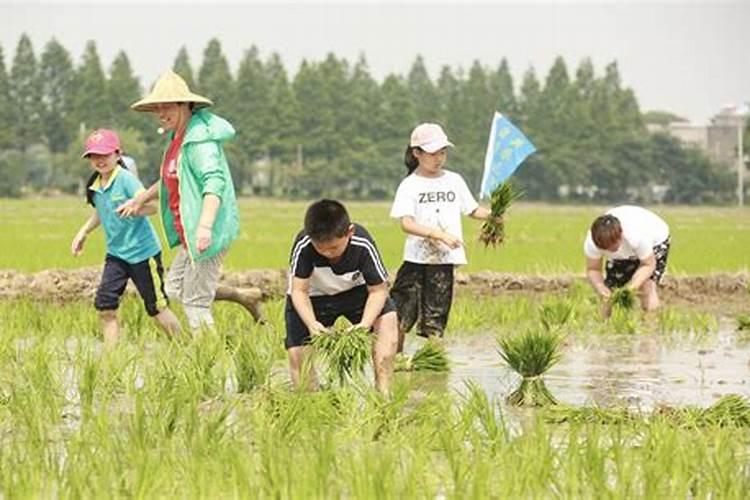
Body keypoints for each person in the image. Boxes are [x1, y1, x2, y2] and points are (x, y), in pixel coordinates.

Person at [118, 69, 262, 333]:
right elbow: (172, 178)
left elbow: (213, 183)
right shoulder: (178, 138)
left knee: (195, 303)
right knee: (174, 288)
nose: (161, 114)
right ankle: (242, 296)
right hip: (190, 231)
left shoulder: (199, 142)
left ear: (185, 105)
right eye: (157, 109)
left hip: (207, 231)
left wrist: (205, 227)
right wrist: (141, 199)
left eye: (167, 106)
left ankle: (208, 363)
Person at [389, 123, 495, 352]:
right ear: (416, 153)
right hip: (417, 259)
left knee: (436, 316)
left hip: (443, 261)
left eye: (443, 152)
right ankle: (395, 357)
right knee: (402, 312)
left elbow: (473, 210)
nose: (439, 158)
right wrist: (437, 234)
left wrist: (494, 216)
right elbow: (406, 224)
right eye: (433, 153)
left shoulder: (454, 180)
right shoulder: (410, 185)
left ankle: (433, 361)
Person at [71, 129, 181, 345]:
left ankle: (187, 347)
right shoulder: (95, 186)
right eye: (94, 156)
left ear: (117, 154)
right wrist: (83, 232)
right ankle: (112, 359)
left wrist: (135, 208)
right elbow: (100, 212)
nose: (99, 160)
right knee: (105, 305)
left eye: (105, 155)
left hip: (143, 254)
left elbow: (152, 208)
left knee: (156, 308)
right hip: (117, 256)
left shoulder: (126, 179)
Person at [286, 199, 398, 394]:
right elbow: (299, 291)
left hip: (356, 292)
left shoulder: (362, 244)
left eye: (334, 247)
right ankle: (310, 402)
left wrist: (364, 324)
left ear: (350, 232)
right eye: (321, 248)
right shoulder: (304, 244)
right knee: (297, 355)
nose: (328, 253)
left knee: (388, 323)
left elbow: (378, 290)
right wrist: (312, 324)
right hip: (314, 297)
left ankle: (383, 397)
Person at [584, 205, 671, 314]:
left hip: (656, 241)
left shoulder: (635, 236)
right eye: (605, 248)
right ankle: (606, 326)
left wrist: (631, 288)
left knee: (647, 287)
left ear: (621, 235)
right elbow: (593, 269)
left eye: (613, 246)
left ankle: (651, 326)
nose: (610, 250)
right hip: (628, 251)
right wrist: (601, 288)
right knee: (610, 292)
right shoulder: (592, 243)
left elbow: (648, 264)